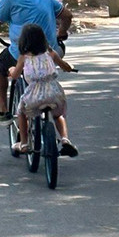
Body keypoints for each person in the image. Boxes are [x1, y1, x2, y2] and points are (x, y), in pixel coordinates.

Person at [0, 0, 72, 124]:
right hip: (50, 50)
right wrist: (62, 33)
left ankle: (3, 112)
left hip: (22, 53)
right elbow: (67, 15)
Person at [9, 23, 78, 157]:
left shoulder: (24, 58)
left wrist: (11, 70)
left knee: (22, 113)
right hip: (54, 93)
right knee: (58, 115)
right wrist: (70, 67)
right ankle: (65, 139)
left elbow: (15, 75)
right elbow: (65, 66)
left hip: (33, 95)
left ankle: (23, 143)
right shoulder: (51, 53)